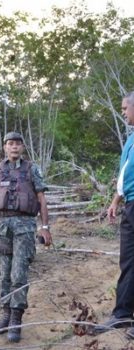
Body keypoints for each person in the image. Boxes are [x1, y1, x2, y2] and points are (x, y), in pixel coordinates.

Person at [0, 131, 51, 342]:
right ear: (5, 147)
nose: (14, 147)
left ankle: (17, 319)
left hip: (24, 227)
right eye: (10, 144)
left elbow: (41, 199)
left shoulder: (32, 169)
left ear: (22, 148)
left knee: (19, 274)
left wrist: (45, 227)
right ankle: (6, 315)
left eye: (17, 144)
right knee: (4, 274)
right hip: (3, 227)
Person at [94, 91, 134, 337]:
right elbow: (125, 174)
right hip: (130, 204)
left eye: (125, 108)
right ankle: (122, 314)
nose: (122, 112)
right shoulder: (131, 139)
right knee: (128, 260)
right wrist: (115, 200)